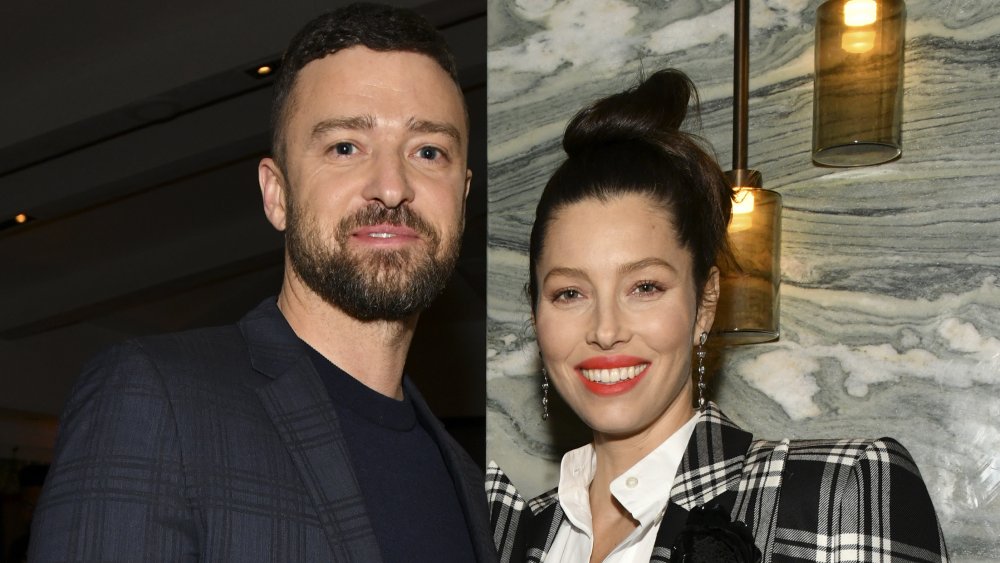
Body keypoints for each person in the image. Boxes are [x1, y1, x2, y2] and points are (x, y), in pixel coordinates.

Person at [30, 3, 496, 562]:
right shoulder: (157, 400)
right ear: (277, 195)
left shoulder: (468, 485)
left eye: (428, 151)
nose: (392, 187)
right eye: (345, 146)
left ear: (463, 198)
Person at [486, 69, 948, 562]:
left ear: (705, 303)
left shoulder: (840, 497)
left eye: (644, 287)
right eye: (569, 293)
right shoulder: (499, 534)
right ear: (536, 315)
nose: (605, 330)